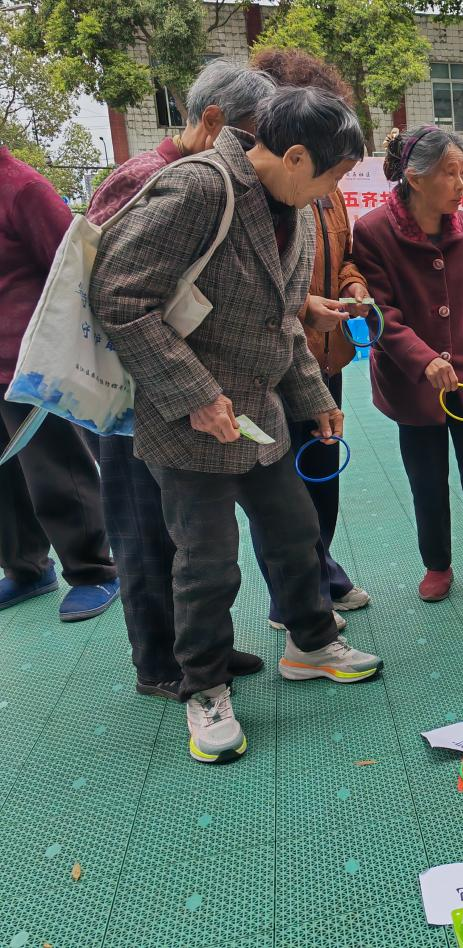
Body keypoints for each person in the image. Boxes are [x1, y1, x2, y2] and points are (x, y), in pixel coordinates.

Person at [90, 87, 383, 765]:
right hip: (187, 421)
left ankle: (310, 642)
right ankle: (205, 687)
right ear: (298, 154)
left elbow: (282, 321)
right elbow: (119, 296)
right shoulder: (199, 188)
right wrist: (195, 392)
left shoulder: (298, 208)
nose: (335, 189)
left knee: (294, 531)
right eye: (335, 174)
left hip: (261, 415)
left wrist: (315, 398)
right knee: (207, 563)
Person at [87, 58, 277, 695]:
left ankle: (206, 651)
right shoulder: (153, 178)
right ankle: (160, 666)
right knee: (146, 534)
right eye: (256, 137)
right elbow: (113, 296)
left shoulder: (205, 177)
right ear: (217, 122)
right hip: (134, 391)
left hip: (171, 386)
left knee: (189, 537)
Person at [352, 125, 463, 605]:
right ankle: (437, 564)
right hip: (413, 381)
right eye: (450, 174)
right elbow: (379, 313)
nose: (460, 185)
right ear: (414, 176)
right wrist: (424, 360)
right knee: (426, 477)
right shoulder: (372, 231)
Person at [249, 48, 372, 628]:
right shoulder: (258, 191)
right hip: (274, 369)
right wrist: (303, 309)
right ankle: (290, 597)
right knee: (281, 489)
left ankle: (321, 568)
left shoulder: (326, 186)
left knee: (322, 475)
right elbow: (254, 290)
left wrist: (353, 288)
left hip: (326, 357)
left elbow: (344, 257)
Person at [0, 148, 119, 621]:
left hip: (29, 362)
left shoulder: (22, 187)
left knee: (55, 469)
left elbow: (73, 267)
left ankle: (93, 570)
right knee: (5, 479)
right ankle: (27, 568)